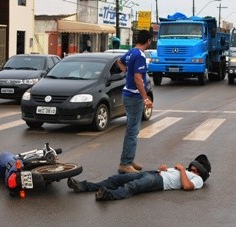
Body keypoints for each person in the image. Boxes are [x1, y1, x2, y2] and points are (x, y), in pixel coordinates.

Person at [67, 154, 211, 201]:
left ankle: (107, 195)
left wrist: (181, 170)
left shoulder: (197, 180)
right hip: (154, 173)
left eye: (197, 167)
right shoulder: (185, 171)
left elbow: (187, 187)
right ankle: (83, 186)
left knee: (133, 186)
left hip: (159, 181)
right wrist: (165, 169)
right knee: (115, 179)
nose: (193, 167)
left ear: (200, 171)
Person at [116, 30, 153, 174]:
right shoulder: (140, 55)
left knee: (132, 130)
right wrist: (145, 98)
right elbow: (138, 79)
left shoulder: (132, 52)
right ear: (148, 41)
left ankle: (129, 160)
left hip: (128, 94)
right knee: (132, 130)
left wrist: (127, 72)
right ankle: (125, 164)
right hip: (134, 96)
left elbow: (119, 61)